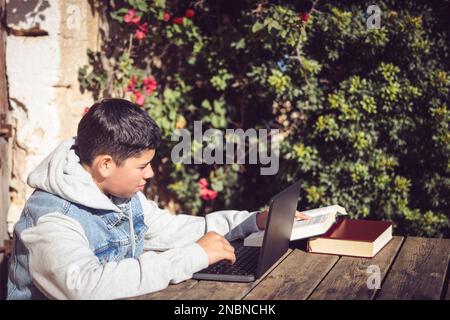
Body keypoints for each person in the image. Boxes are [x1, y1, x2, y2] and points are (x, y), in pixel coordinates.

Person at [7, 98, 308, 300]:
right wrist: (191, 256)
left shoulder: (118, 195)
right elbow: (85, 286)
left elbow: (169, 229)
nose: (150, 173)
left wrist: (250, 221)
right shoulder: (52, 218)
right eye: (141, 166)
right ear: (106, 164)